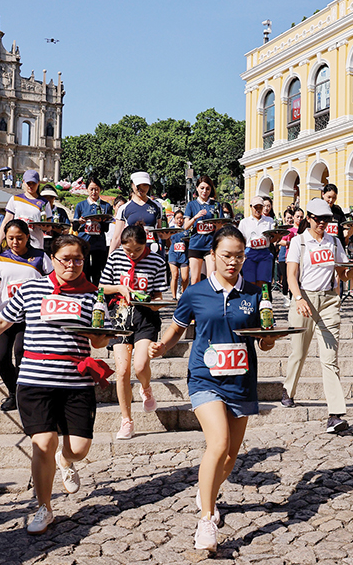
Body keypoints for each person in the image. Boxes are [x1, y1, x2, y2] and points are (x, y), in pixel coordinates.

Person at [0, 235, 111, 535]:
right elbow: (0, 322)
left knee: (79, 449)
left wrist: (94, 332)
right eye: (65, 259)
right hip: (35, 380)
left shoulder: (92, 294)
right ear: (53, 259)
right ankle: (44, 507)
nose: (72, 265)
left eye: (78, 259)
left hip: (76, 381)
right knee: (43, 443)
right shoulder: (32, 289)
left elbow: (100, 342)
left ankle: (65, 460)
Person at [149, 226, 279, 552]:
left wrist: (268, 339)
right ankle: (206, 519)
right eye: (226, 255)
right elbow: (177, 328)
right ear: (212, 255)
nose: (233, 262)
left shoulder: (255, 294)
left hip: (241, 380)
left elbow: (263, 342)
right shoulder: (195, 292)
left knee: (231, 455)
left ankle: (207, 490)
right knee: (218, 442)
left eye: (239, 256)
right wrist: (161, 346)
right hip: (204, 378)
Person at [282, 198, 353, 433]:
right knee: (299, 351)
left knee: (330, 358)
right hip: (304, 298)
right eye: (318, 219)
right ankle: (288, 390)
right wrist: (298, 298)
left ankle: (335, 414)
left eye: (326, 219)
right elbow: (291, 275)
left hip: (328, 301)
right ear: (309, 218)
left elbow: (343, 274)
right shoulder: (298, 241)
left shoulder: (334, 242)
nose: (323, 223)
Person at [0, 219, 52, 411]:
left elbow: (52, 284)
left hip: (30, 317)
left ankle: (24, 395)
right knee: (1, 357)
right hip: (5, 317)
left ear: (27, 237)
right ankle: (13, 393)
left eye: (19, 238)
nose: (15, 242)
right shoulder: (0, 259)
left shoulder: (40, 257)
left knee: (21, 352)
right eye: (11, 238)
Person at [100, 225, 168, 439]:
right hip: (120, 315)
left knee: (140, 365)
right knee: (122, 371)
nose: (132, 254)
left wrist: (153, 303)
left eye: (137, 250)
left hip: (145, 317)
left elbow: (159, 295)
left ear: (145, 244)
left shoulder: (157, 261)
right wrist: (120, 288)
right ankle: (126, 420)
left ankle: (145, 387)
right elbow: (101, 287)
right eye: (128, 250)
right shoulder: (115, 258)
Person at [0, 169, 51, 254]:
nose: (31, 186)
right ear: (23, 182)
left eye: (33, 183)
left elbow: (49, 226)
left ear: (38, 183)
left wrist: (43, 227)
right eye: (28, 183)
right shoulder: (15, 199)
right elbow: (6, 222)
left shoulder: (44, 203)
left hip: (36, 245)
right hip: (16, 246)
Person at [110, 171, 162, 257]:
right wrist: (110, 258)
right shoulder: (124, 208)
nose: (142, 189)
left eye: (145, 185)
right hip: (131, 253)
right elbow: (116, 237)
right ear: (132, 185)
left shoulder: (157, 206)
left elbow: (160, 231)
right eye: (138, 186)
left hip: (152, 252)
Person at [73, 178, 113, 285]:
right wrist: (80, 222)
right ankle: (84, 290)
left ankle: (96, 291)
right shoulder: (81, 205)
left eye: (96, 189)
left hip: (99, 243)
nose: (94, 192)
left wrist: (101, 221)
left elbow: (106, 229)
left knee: (97, 270)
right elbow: (75, 227)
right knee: (84, 269)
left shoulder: (106, 206)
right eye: (91, 189)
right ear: (87, 189)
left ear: (100, 190)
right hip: (84, 241)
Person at [183, 175, 221, 285]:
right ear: (197, 188)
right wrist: (195, 217)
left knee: (211, 277)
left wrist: (217, 225)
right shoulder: (191, 205)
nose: (204, 191)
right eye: (202, 188)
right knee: (195, 279)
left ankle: (210, 296)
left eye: (207, 189)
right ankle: (196, 296)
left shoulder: (216, 205)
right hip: (196, 244)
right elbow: (185, 226)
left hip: (210, 244)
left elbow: (221, 226)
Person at [238, 196, 275, 288]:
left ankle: (263, 297)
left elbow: (273, 239)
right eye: (255, 207)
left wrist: (277, 237)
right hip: (250, 252)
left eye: (260, 207)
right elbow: (240, 240)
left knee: (263, 282)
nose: (258, 209)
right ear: (251, 207)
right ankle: (252, 297)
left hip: (264, 252)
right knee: (250, 282)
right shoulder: (244, 222)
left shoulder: (269, 221)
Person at [40, 185, 71, 254]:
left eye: (51, 197)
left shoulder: (60, 211)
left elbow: (67, 228)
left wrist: (60, 231)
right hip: (40, 243)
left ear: (54, 198)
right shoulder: (38, 211)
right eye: (45, 197)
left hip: (56, 243)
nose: (48, 200)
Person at [168, 210, 190, 300]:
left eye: (181, 218)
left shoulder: (187, 229)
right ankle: (174, 297)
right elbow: (166, 239)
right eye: (177, 218)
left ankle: (183, 294)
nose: (179, 220)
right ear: (174, 219)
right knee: (175, 275)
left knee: (185, 277)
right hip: (173, 254)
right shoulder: (171, 229)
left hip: (184, 255)